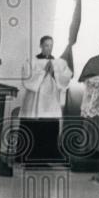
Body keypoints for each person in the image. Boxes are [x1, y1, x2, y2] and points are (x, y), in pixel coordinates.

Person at [18, 35, 72, 163]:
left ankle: (46, 157)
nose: (49, 48)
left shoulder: (59, 62)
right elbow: (27, 78)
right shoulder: (31, 61)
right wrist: (43, 72)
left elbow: (67, 78)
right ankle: (29, 158)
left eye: (51, 45)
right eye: (47, 45)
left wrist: (55, 73)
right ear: (41, 45)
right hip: (34, 102)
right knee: (33, 127)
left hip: (50, 101)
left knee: (48, 127)